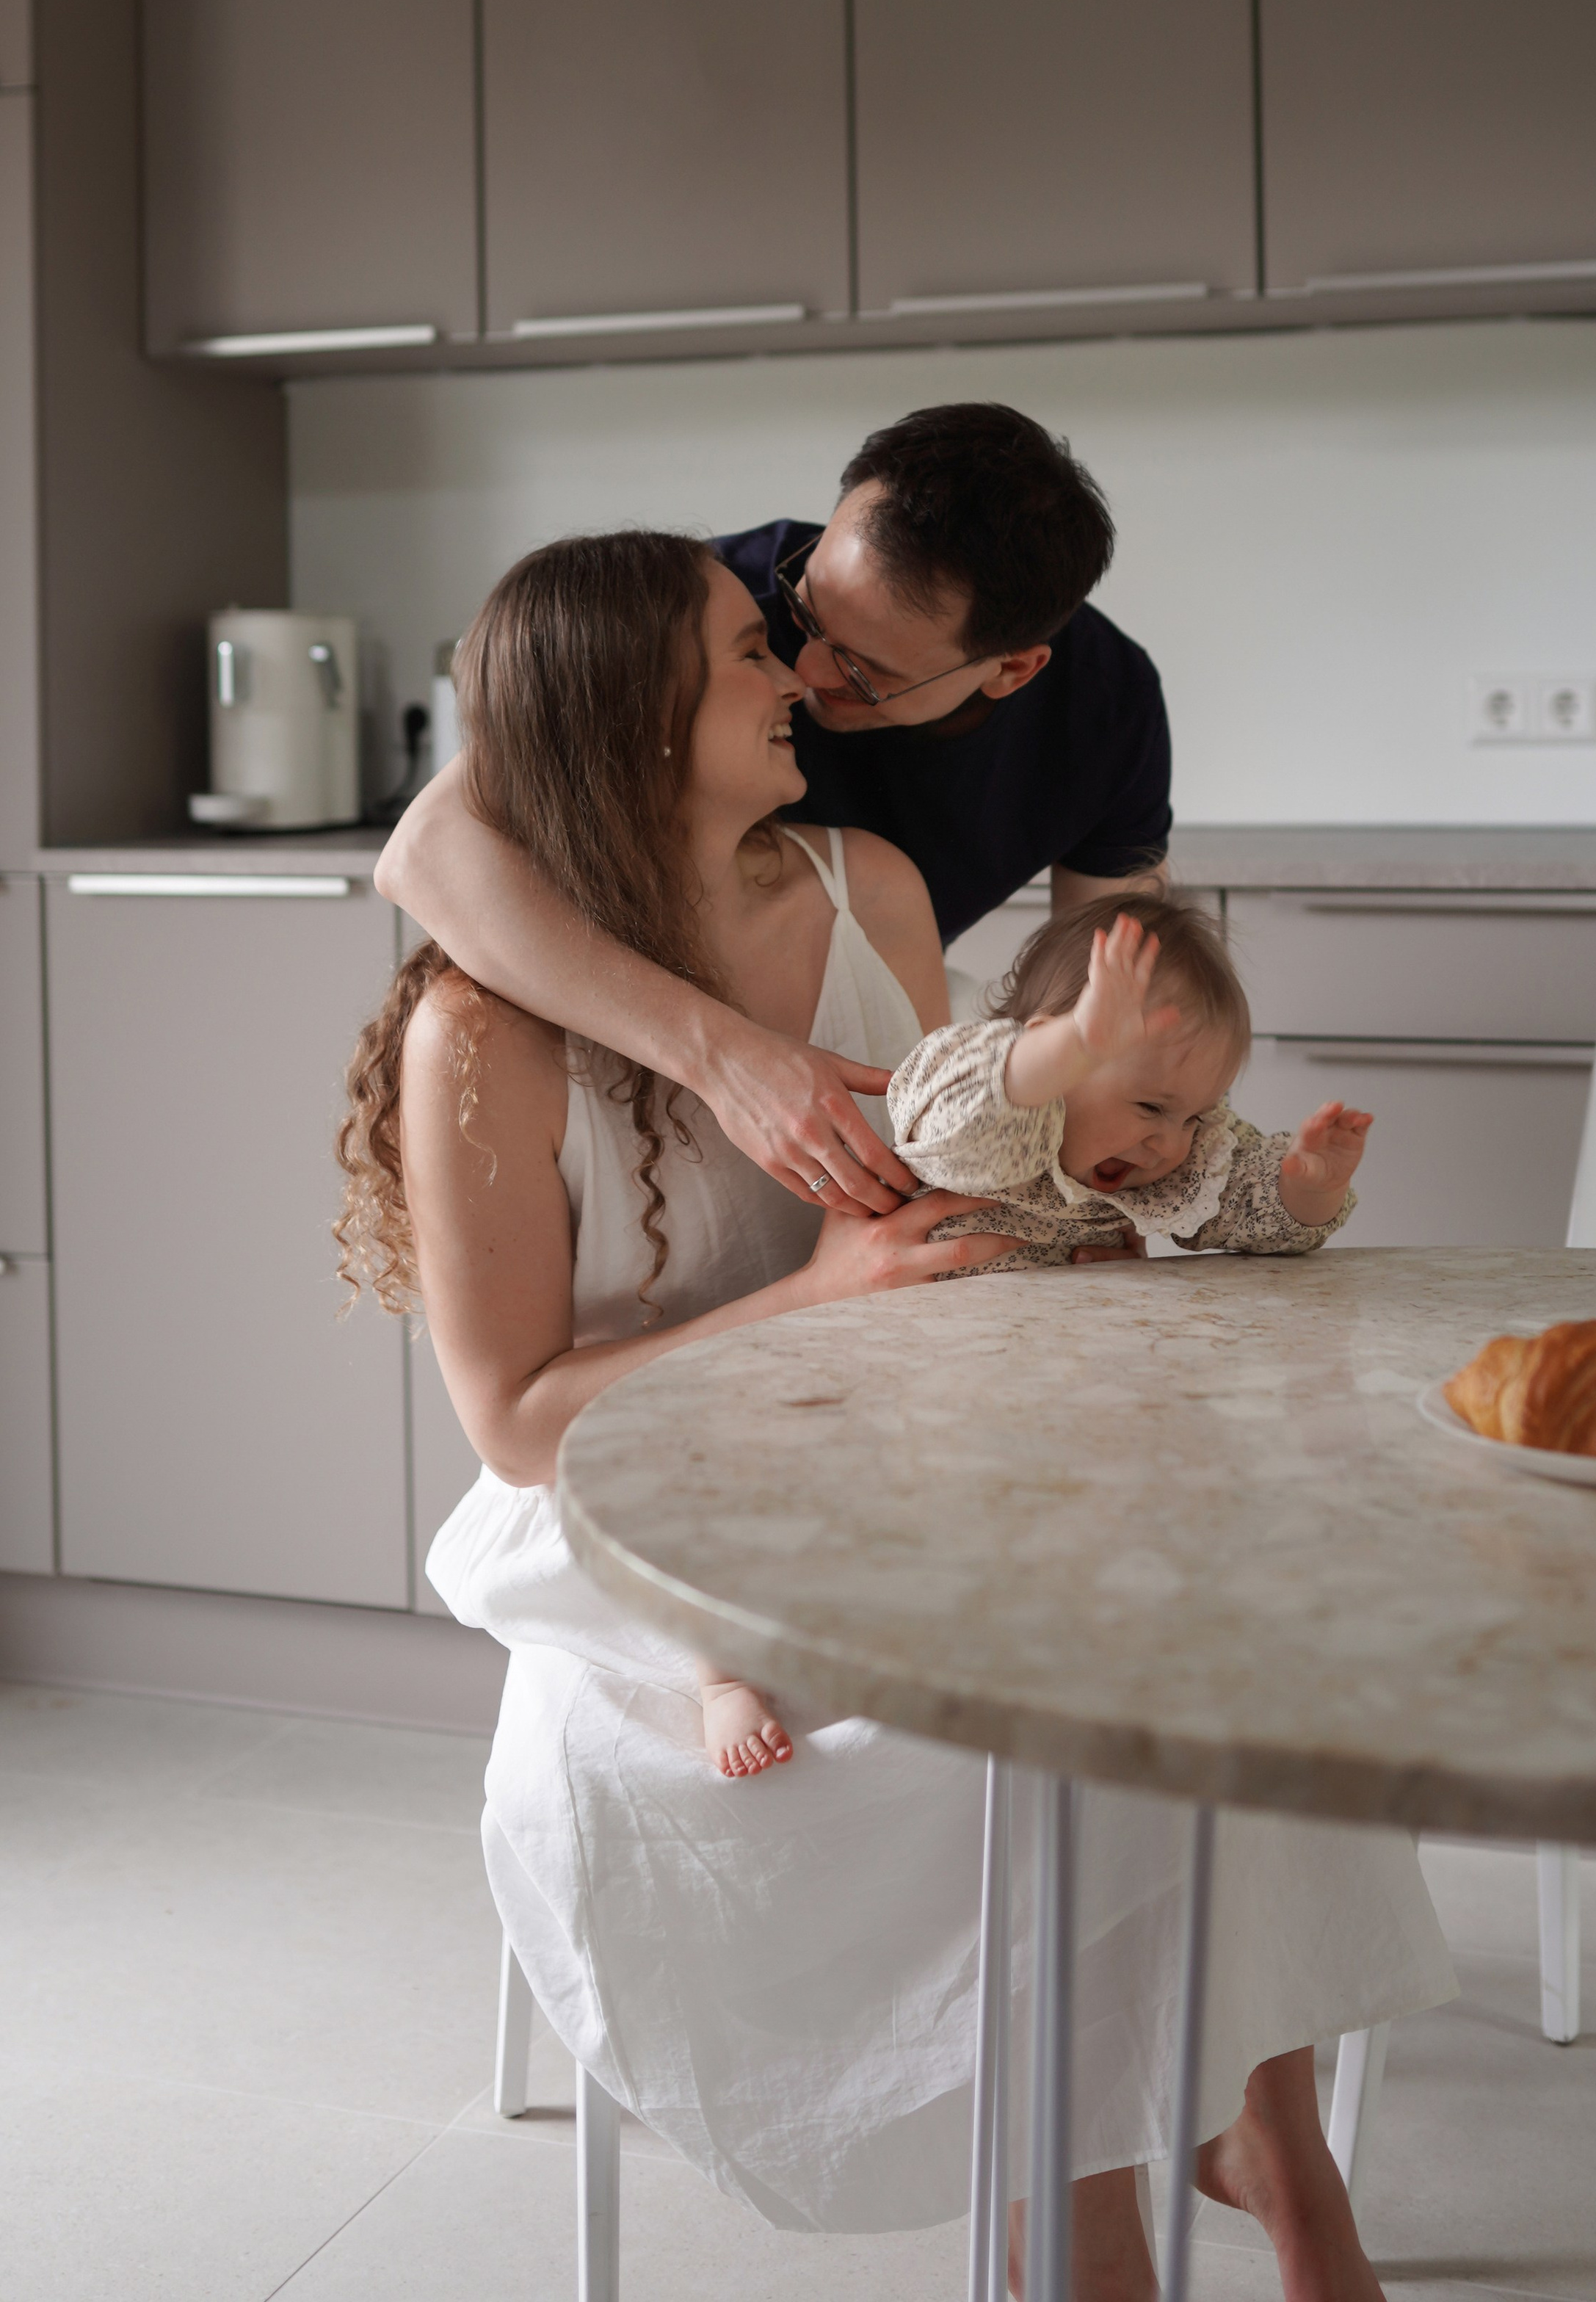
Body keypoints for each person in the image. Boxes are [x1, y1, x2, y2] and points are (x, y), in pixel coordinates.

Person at [341, 525, 1454, 2302]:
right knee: (1038, 1735)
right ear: (633, 716)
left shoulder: (869, 886)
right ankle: (1086, 2235)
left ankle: (1274, 2156)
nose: (794, 678)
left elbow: (969, 1176)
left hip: (892, 1448)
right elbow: (517, 1425)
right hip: (645, 1523)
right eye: (742, 654)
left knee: (1221, 1625)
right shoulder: (478, 1029)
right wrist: (805, 1299)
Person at [376, 402, 1173, 1224]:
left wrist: (1091, 1194)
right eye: (804, 615)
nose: (802, 669)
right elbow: (426, 850)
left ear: (1011, 671)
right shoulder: (708, 610)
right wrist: (727, 1060)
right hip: (631, 1038)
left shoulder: (1107, 710)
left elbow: (1111, 986)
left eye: (863, 673)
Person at [888, 897, 1376, 1273]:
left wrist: (1305, 1187)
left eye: (1193, 1116)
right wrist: (1071, 1045)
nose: (1171, 1142)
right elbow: (958, 1120)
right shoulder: (989, 1129)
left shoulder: (1176, 1170)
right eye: (1149, 1107)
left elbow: (1248, 1203)